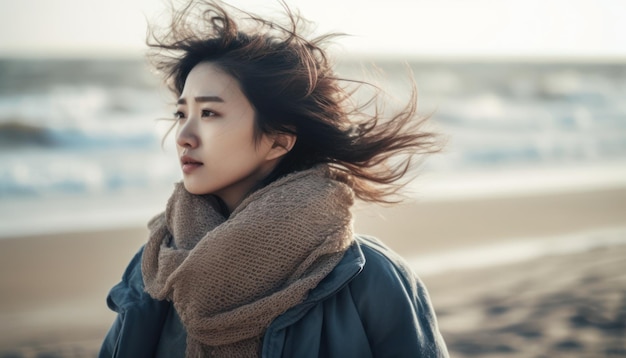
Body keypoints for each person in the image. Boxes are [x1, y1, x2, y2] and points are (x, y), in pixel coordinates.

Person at [99, 0, 449, 357]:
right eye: (180, 112)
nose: (183, 135)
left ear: (278, 140)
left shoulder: (371, 279)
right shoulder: (155, 267)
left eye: (208, 112)